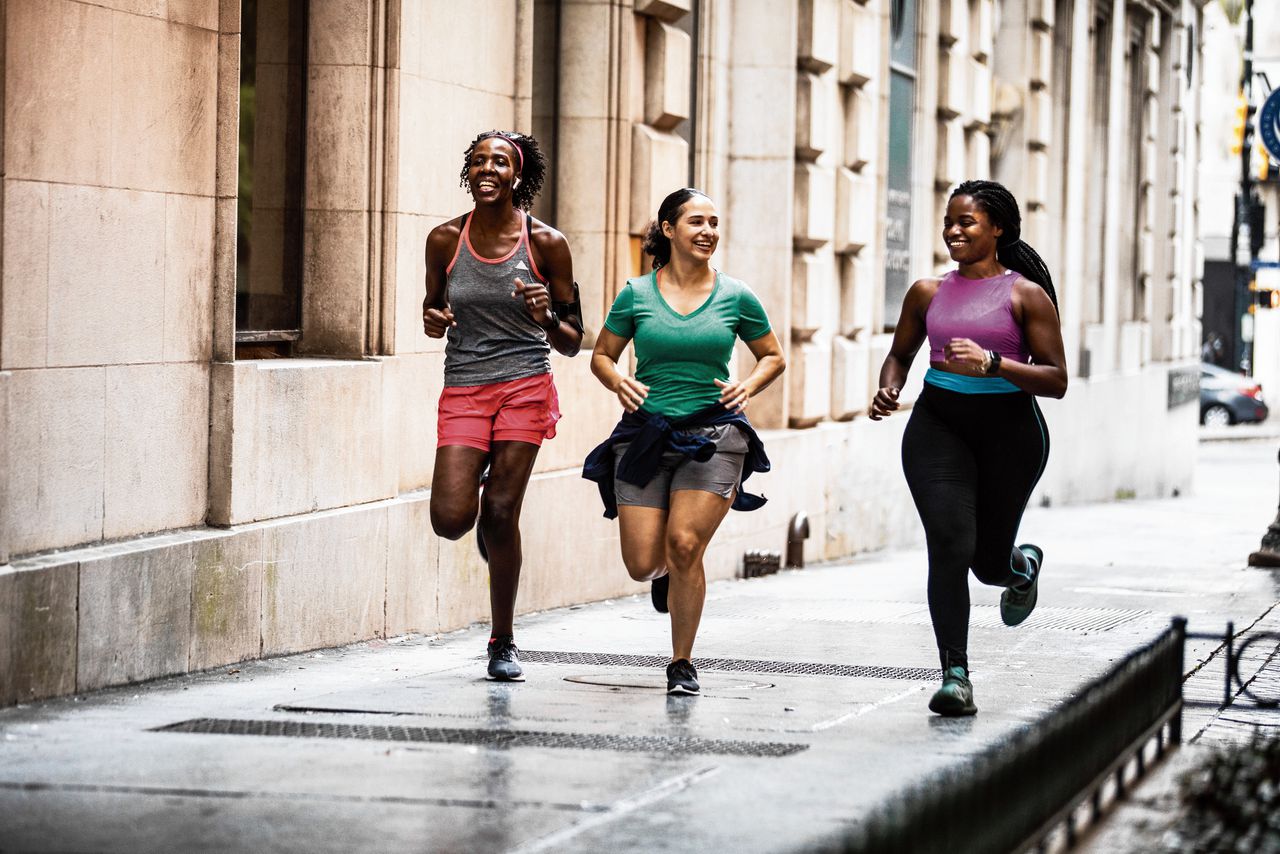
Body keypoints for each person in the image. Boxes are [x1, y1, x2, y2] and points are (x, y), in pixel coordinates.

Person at [869, 179, 1067, 717]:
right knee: (951, 545)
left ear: (997, 228)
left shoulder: (1026, 295)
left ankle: (1020, 566)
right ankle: (955, 674)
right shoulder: (927, 292)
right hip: (939, 427)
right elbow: (899, 354)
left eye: (967, 222)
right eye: (949, 222)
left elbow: (1056, 380)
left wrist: (995, 364)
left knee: (988, 564)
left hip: (1011, 433)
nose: (953, 231)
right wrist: (890, 387)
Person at [583, 188, 786, 696]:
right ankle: (665, 575)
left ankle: (681, 663)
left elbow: (773, 356)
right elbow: (602, 355)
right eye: (697, 221)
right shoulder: (635, 294)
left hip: (715, 435)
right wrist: (616, 381)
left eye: (715, 222)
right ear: (669, 230)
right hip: (646, 435)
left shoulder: (736, 295)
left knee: (685, 544)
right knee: (641, 562)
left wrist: (749, 385)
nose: (708, 231)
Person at [422, 130, 583, 682]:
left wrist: (545, 315)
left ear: (518, 176)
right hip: (465, 385)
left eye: (499, 162)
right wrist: (432, 321)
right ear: (468, 172)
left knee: (499, 514)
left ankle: (503, 640)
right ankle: (484, 486)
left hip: (524, 385)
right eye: (478, 161)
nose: (487, 169)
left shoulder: (547, 244)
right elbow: (432, 308)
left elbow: (571, 339)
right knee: (449, 519)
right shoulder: (445, 240)